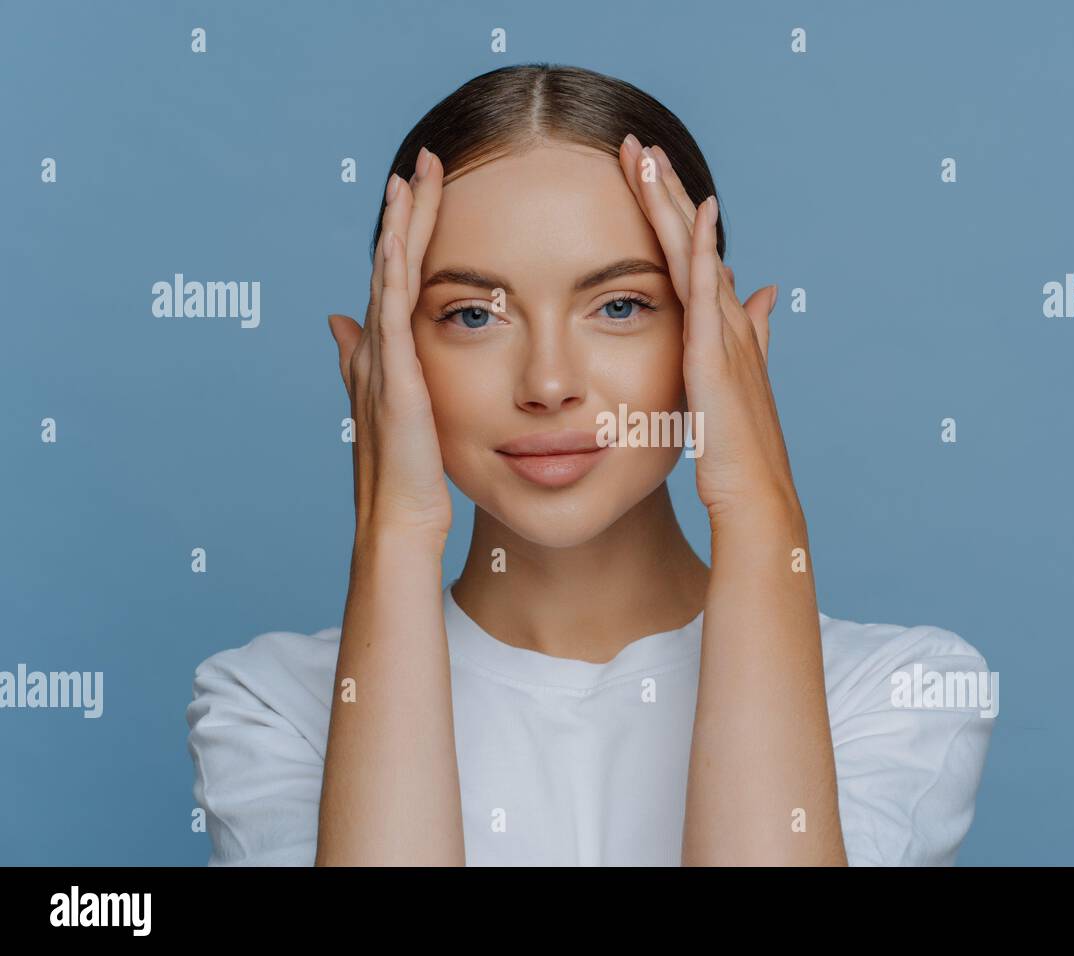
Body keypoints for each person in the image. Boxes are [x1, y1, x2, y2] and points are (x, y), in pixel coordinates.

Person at [185, 63, 995, 866]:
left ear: (715, 339)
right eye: (472, 314)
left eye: (619, 306)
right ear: (394, 351)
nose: (548, 384)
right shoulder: (273, 707)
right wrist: (393, 533)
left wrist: (758, 507)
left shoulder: (898, 690)